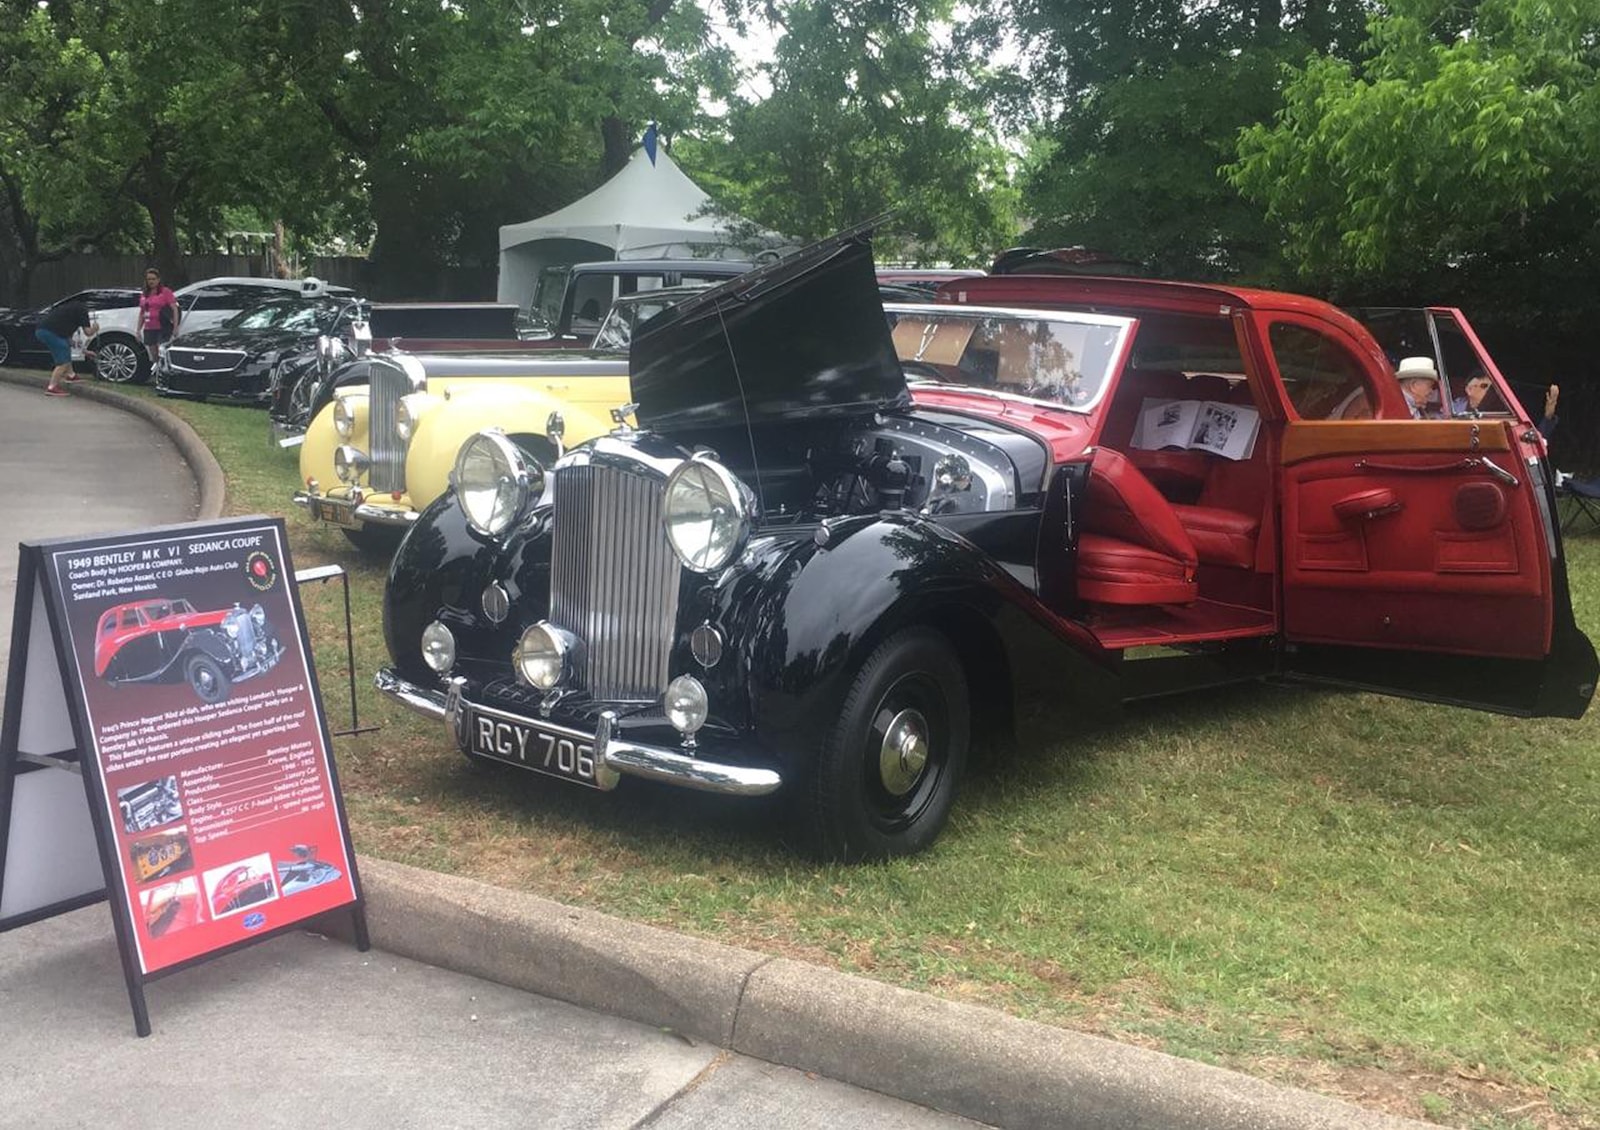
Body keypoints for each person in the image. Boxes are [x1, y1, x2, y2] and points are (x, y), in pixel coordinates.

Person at [37, 297, 98, 396]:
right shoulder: (82, 310)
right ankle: (52, 387)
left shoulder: (69, 310)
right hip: (51, 332)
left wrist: (84, 351)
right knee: (63, 362)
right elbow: (88, 332)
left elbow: (70, 340)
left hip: (43, 330)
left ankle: (71, 375)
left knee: (66, 347)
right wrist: (95, 328)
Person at [137, 266, 180, 364]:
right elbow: (142, 313)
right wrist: (138, 329)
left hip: (162, 326)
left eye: (153, 279)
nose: (151, 281)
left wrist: (175, 326)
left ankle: (165, 369)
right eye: (149, 279)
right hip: (149, 327)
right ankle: (157, 369)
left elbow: (174, 309)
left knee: (162, 350)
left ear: (158, 280)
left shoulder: (165, 292)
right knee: (153, 353)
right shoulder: (144, 293)